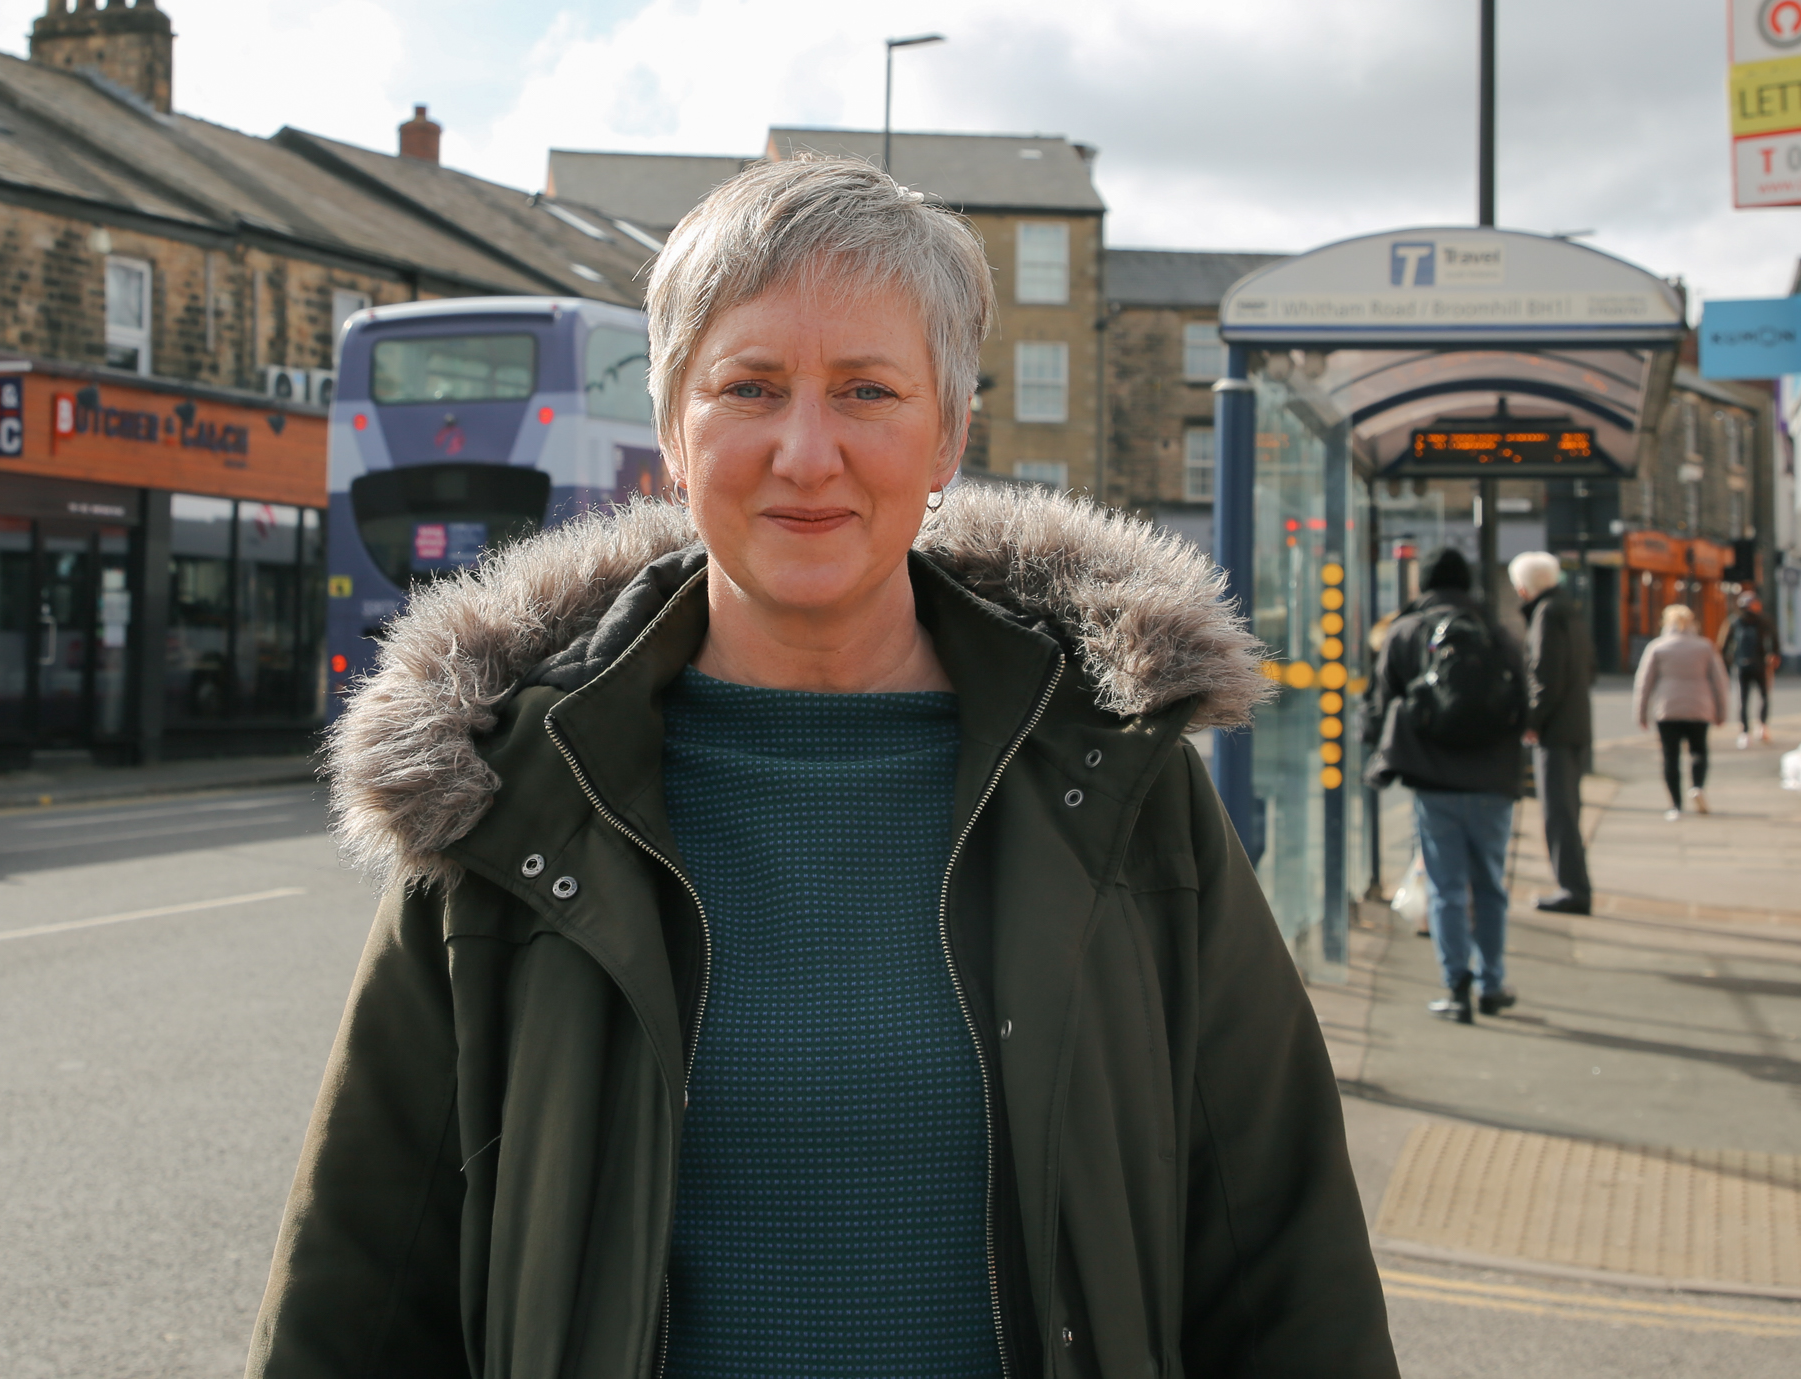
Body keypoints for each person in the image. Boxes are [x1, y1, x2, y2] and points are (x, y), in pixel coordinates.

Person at [251, 156, 1397, 1378]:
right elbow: (364, 1290)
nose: (806, 452)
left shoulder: (1116, 779)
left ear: (948, 431)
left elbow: (1279, 1253)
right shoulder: (509, 797)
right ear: (673, 433)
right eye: (748, 387)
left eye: (867, 390)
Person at [1368, 545, 1531, 1025]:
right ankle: (1493, 982)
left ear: (1425, 584)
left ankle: (1455, 987)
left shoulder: (1405, 632)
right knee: (1490, 886)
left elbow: (1380, 705)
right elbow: (1522, 703)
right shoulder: (1498, 634)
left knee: (1446, 888)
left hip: (1434, 780)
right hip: (1494, 781)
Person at [1508, 550, 1594, 916]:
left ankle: (1572, 889)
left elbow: (1544, 676)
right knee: (1567, 812)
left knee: (1558, 814)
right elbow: (1589, 668)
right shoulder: (1569, 611)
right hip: (1575, 726)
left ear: (1524, 587)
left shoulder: (1547, 615)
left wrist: (1531, 722)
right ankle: (1574, 886)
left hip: (1556, 732)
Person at [1633, 602, 1731, 818]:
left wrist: (1641, 713)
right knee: (1699, 751)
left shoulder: (1658, 647)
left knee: (1670, 757)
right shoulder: (1705, 647)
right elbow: (1720, 682)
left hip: (1667, 709)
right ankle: (1697, 787)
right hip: (1700, 708)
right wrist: (1722, 712)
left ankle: (1675, 806)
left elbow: (1644, 683)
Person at [1721, 592, 1781, 748]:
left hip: (1760, 663)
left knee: (1764, 696)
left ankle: (1762, 726)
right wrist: (1726, 664)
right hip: (1742, 665)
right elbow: (1724, 645)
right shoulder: (1735, 622)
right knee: (1743, 699)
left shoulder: (1762, 621)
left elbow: (1774, 638)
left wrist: (1774, 654)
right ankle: (1745, 731)